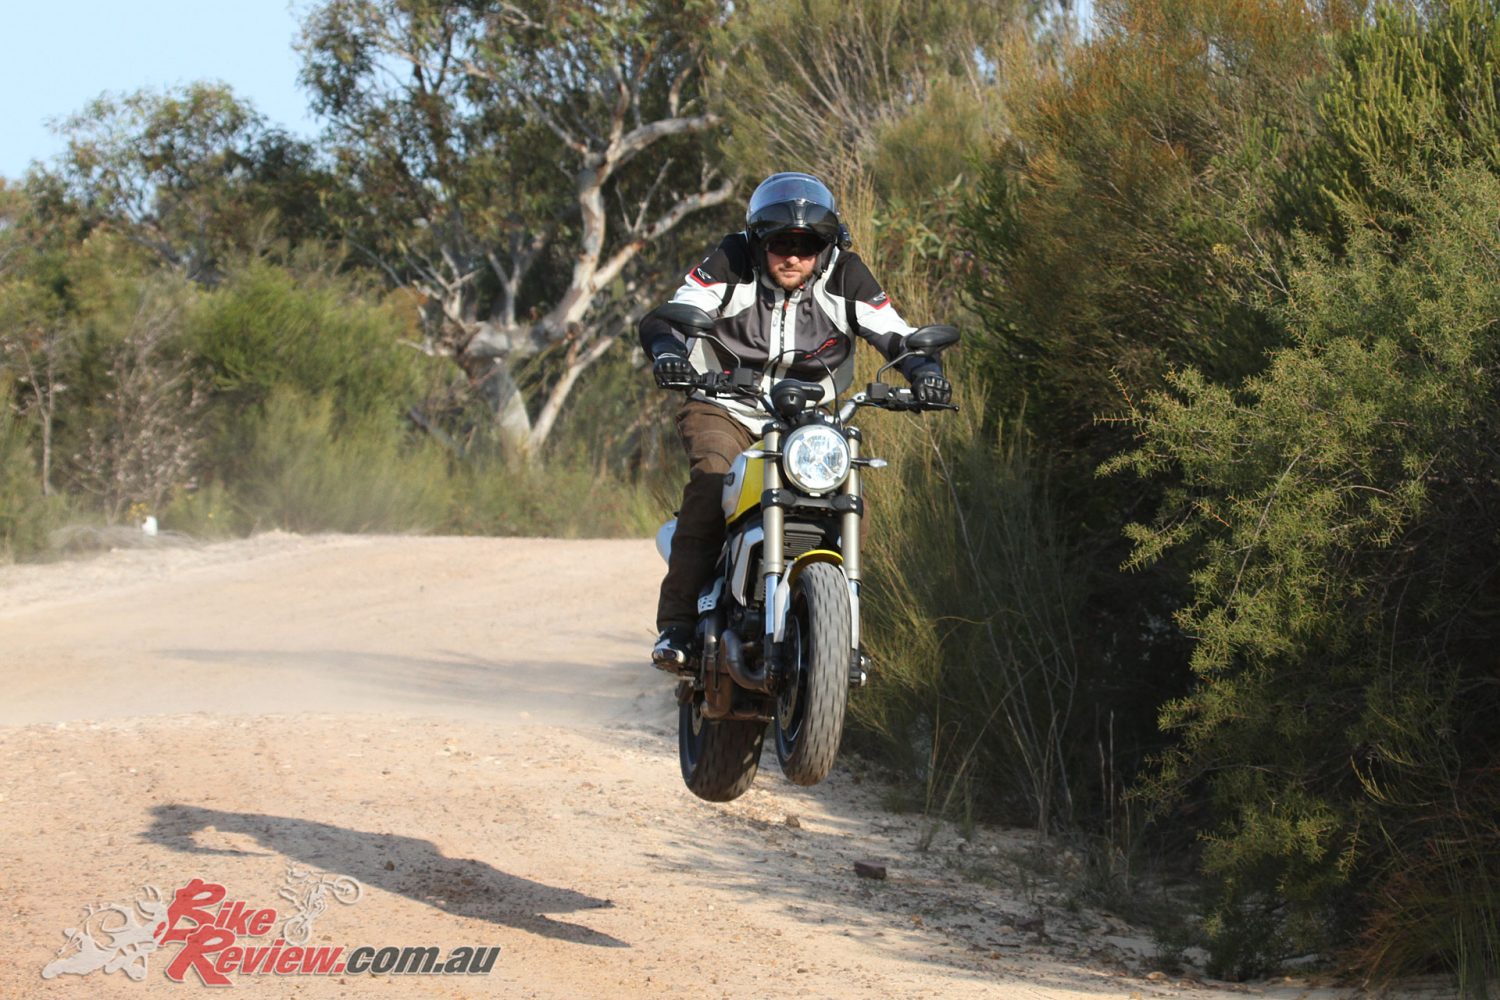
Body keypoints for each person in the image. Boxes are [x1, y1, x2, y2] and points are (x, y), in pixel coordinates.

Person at [638, 172, 951, 670]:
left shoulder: (845, 274)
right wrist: (668, 353)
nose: (793, 256)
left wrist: (925, 373)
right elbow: (671, 315)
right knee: (713, 480)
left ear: (825, 246)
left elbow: (895, 333)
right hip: (724, 404)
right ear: (759, 240)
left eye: (807, 245)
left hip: (806, 418)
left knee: (853, 503)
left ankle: (835, 635)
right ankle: (676, 628)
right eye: (781, 242)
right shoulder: (732, 260)